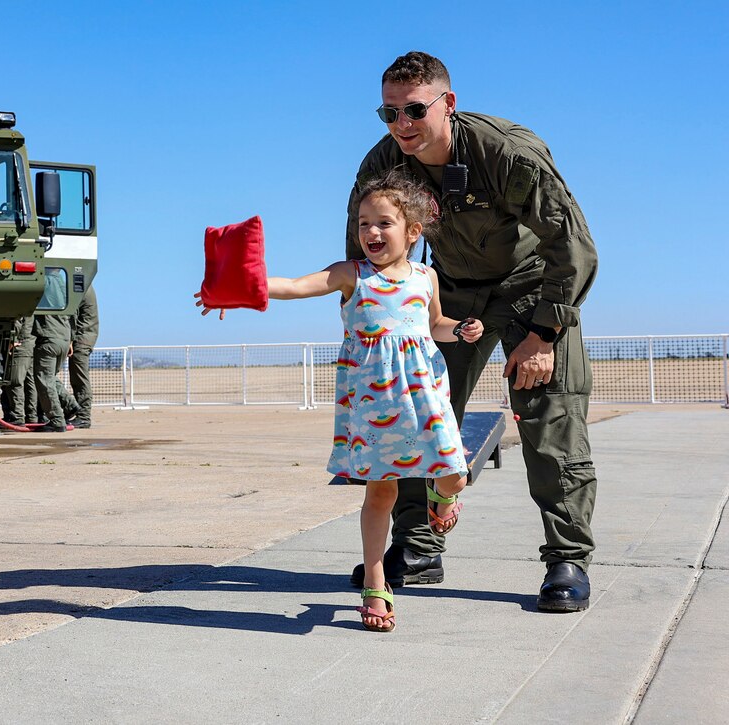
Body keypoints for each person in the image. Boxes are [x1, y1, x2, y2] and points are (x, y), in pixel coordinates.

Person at [346, 51, 599, 612]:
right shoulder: (385, 164)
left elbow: (573, 247)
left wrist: (546, 334)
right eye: (388, 113)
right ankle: (417, 544)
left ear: (448, 103)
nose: (402, 124)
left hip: (533, 285)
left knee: (550, 417)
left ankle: (567, 559)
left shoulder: (506, 154)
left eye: (414, 109)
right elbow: (366, 250)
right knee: (410, 413)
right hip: (449, 289)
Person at [201, 174, 483, 630]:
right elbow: (293, 285)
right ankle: (375, 583)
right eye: (363, 222)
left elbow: (434, 326)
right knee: (381, 492)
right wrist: (238, 287)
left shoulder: (426, 277)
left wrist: (463, 328)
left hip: (426, 396)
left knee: (455, 476)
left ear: (413, 230)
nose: (371, 232)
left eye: (384, 223)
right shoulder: (352, 274)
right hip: (374, 404)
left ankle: (440, 497)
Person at [32, 312, 81, 433]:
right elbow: (73, 315)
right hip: (64, 338)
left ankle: (57, 420)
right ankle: (70, 405)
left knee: (45, 381)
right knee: (50, 378)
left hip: (48, 339)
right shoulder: (62, 296)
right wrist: (70, 340)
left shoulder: (43, 296)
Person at [67, 286, 100, 429]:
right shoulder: (86, 286)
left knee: (79, 377)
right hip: (85, 336)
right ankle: (80, 413)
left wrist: (69, 340)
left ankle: (84, 416)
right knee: (77, 377)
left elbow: (73, 316)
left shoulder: (80, 287)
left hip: (82, 337)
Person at [2, 315, 39, 427]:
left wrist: (12, 341)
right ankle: (32, 416)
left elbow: (17, 322)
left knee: (14, 381)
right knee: (30, 383)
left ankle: (17, 416)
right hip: (31, 344)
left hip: (20, 345)